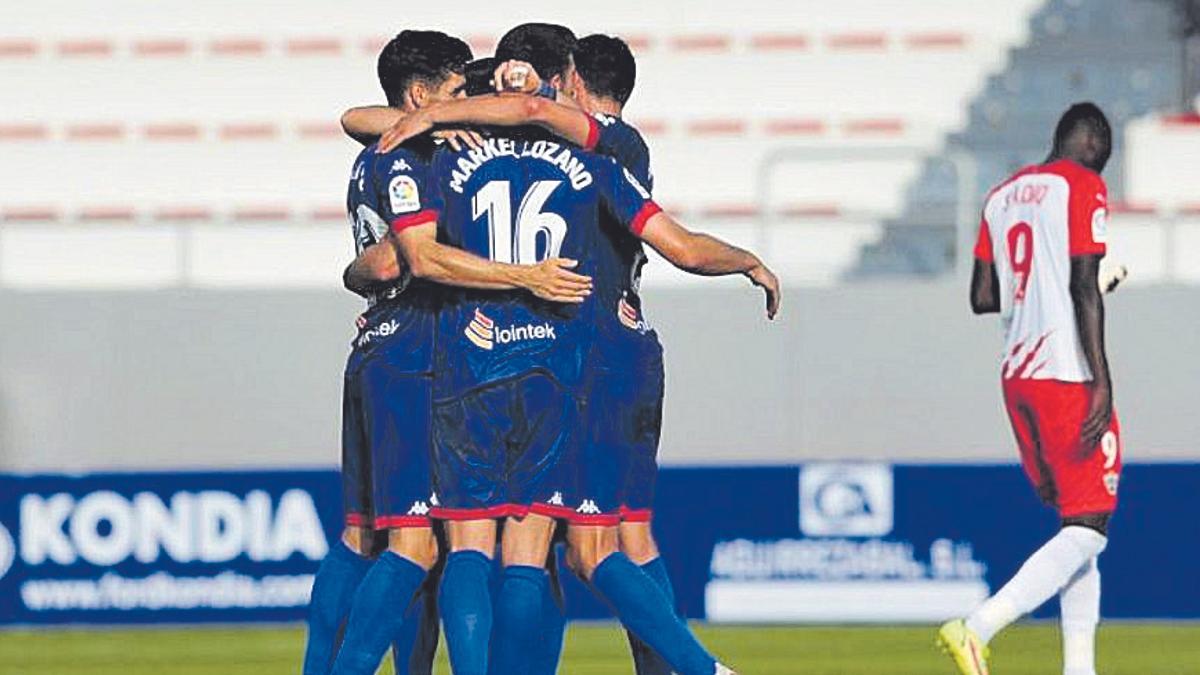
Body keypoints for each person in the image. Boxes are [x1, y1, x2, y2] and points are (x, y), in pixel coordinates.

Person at [304, 30, 591, 675]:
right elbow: (415, 255)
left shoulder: (397, 141)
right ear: (421, 94)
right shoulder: (414, 155)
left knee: (375, 538)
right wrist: (525, 275)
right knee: (418, 547)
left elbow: (357, 127)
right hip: (416, 356)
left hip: (385, 349)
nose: (465, 108)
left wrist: (428, 121)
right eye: (458, 94)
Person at [939, 102, 1122, 675]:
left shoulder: (1002, 194)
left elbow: (982, 296)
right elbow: (1083, 285)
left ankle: (1079, 669)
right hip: (1066, 372)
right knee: (1090, 527)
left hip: (1017, 375)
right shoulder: (1081, 185)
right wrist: (1103, 381)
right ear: (1092, 145)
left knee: (1078, 522)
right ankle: (977, 627)